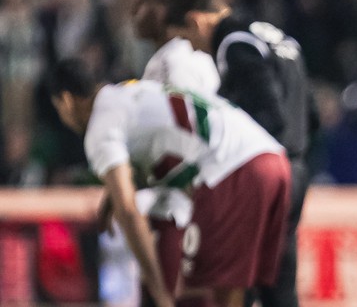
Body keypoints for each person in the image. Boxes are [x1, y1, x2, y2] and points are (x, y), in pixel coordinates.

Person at [48, 58, 291, 307]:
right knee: (253, 294)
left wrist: (159, 291)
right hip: (273, 159)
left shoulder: (100, 124)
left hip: (232, 169)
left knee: (203, 295)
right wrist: (115, 195)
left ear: (66, 102)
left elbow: (130, 213)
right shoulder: (130, 89)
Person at [166, 0, 314, 307]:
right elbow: (310, 112)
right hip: (296, 168)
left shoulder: (235, 45)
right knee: (279, 288)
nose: (193, 49)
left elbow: (269, 111)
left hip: (264, 174)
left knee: (236, 285)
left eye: (187, 38)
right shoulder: (273, 36)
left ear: (196, 21)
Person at [128, 0, 221, 304]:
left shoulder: (177, 60)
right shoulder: (176, 57)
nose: (132, 13)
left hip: (183, 205)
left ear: (164, 6)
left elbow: (189, 127)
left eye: (141, 4)